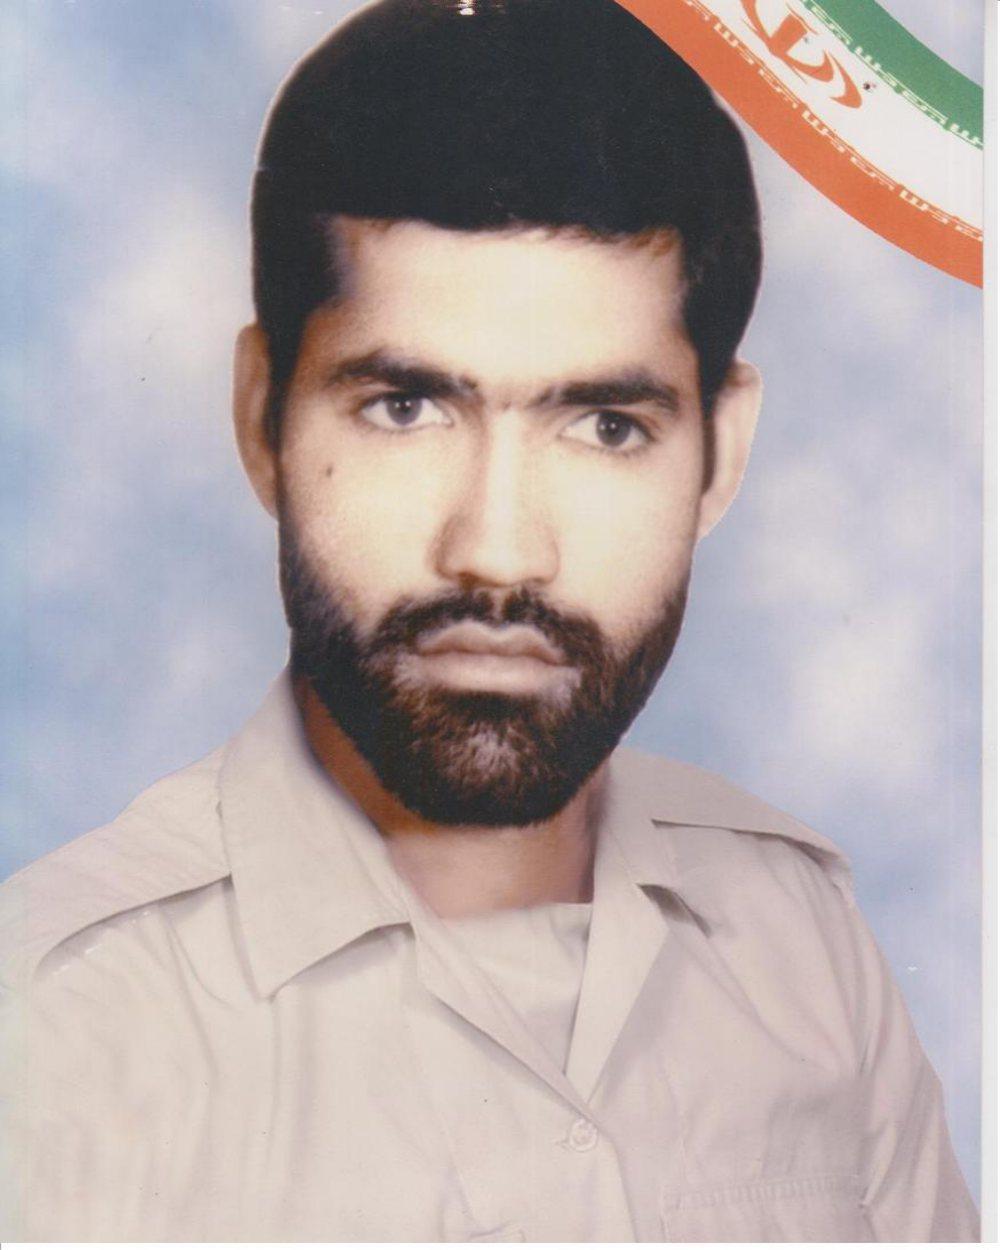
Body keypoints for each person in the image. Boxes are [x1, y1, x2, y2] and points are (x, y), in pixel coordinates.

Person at [0, 0, 977, 1240]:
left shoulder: (804, 948)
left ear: (721, 453)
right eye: (405, 407)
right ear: (261, 418)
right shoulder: (52, 1030)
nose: (499, 549)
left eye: (606, 425)